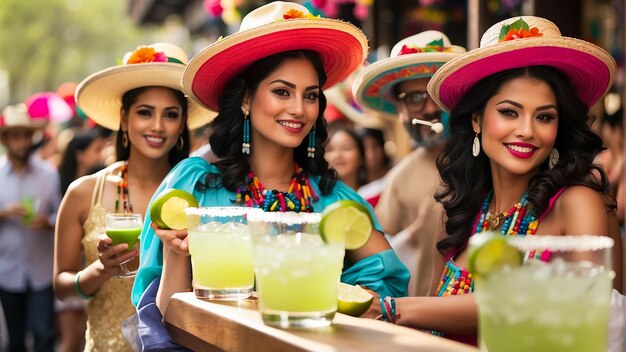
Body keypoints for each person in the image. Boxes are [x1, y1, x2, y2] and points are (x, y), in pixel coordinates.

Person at [131, 1, 409, 335]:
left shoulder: (334, 200)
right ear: (246, 98)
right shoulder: (193, 185)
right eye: (281, 92)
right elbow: (162, 320)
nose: (298, 109)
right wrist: (175, 250)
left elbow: (389, 289)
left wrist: (340, 304)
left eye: (310, 95)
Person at [362, 16, 623, 345]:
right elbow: (430, 330)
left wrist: (394, 308)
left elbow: (586, 307)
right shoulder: (456, 211)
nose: (527, 130)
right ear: (476, 120)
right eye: (509, 112)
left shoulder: (578, 203)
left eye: (544, 116)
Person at [53, 43, 215, 352]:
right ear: (124, 119)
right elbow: (62, 288)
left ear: (182, 123)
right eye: (144, 113)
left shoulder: (202, 191)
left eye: (170, 114)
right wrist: (102, 270)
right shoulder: (84, 192)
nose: (157, 126)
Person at [352, 31, 466, 296]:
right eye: (414, 99)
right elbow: (379, 260)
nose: (429, 109)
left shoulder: (489, 159)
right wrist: (415, 234)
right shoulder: (399, 178)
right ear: (399, 111)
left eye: (436, 94)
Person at [0, 103, 60, 352]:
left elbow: (61, 216)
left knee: (44, 335)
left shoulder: (48, 175)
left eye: (27, 136)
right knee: (14, 341)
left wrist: (47, 222)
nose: (23, 142)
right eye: (16, 136)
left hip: (41, 270)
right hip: (7, 271)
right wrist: (2, 214)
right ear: (5, 140)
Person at [356, 127, 391, 207]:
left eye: (375, 146)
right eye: (365, 148)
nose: (371, 154)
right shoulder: (356, 186)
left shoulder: (394, 177)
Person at [325, 127, 367, 191]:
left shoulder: (374, 195)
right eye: (330, 149)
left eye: (346, 148)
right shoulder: (315, 197)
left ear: (361, 157)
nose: (337, 155)